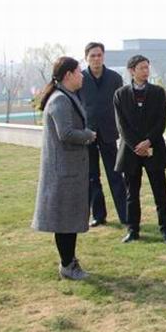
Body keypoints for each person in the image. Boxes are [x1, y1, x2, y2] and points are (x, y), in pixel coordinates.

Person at [32, 56, 97, 280]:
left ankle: (69, 261)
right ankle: (68, 265)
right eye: (79, 72)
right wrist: (88, 135)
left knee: (69, 219)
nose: (82, 76)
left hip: (70, 171)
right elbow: (66, 133)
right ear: (68, 75)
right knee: (64, 220)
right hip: (63, 173)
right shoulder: (60, 100)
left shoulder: (67, 96)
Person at [114, 55, 166, 243]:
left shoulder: (158, 92)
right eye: (142, 68)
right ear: (132, 70)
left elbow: (161, 121)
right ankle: (133, 230)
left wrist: (148, 141)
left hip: (153, 148)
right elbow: (121, 125)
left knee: (160, 191)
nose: (146, 71)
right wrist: (136, 145)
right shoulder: (120, 94)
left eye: (147, 67)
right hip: (131, 151)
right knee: (132, 194)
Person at [79, 42, 127, 227]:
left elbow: (121, 106)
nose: (96, 59)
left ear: (103, 56)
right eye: (92, 55)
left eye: (99, 55)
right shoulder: (80, 78)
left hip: (109, 132)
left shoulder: (114, 78)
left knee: (115, 174)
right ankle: (98, 215)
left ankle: (125, 215)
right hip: (88, 133)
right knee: (92, 176)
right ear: (86, 58)